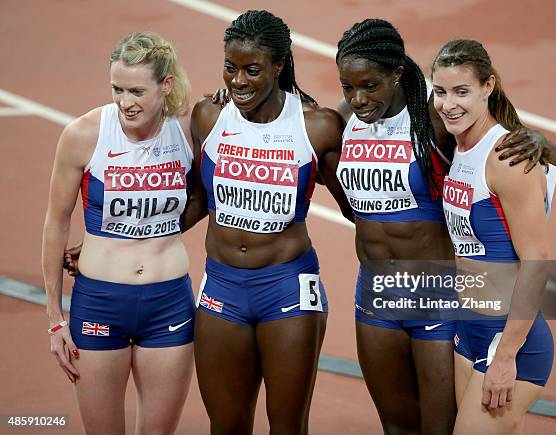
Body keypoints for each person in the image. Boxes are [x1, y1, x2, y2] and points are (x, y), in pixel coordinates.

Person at [334, 19, 556, 435]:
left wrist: (541, 141)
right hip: (386, 298)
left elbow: (536, 254)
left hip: (449, 303)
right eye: (442, 92)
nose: (358, 97)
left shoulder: (443, 126)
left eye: (461, 92)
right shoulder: (350, 119)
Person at [187, 10, 352, 435]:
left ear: (279, 65)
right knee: (226, 426)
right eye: (230, 68)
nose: (238, 81)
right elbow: (194, 201)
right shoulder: (208, 117)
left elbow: (358, 207)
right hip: (221, 286)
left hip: (288, 288)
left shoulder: (316, 127)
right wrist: (118, 240)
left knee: (288, 427)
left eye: (252, 70)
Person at [42, 32, 195, 435]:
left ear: (166, 85)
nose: (125, 102)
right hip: (100, 303)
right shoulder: (83, 135)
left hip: (169, 305)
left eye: (137, 91)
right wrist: (55, 319)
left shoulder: (189, 129)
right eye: (117, 89)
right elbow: (56, 222)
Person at [431, 39, 555, 434]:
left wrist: (505, 357)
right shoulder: (460, 146)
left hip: (508, 340)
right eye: (441, 91)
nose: (448, 104)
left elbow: (536, 262)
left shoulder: (507, 158)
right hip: (468, 330)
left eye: (461, 92)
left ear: (489, 87)